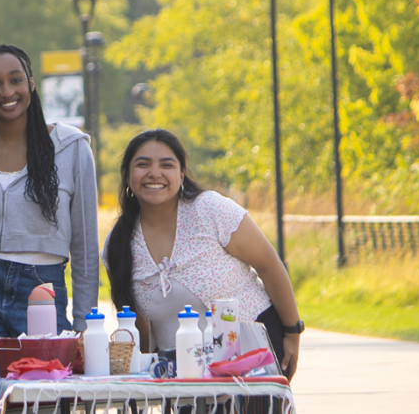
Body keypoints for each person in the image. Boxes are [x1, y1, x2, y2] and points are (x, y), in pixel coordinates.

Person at [0, 44, 99, 414]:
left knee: (44, 398)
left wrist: (83, 322)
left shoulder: (72, 147)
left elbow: (85, 244)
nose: (7, 92)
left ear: (31, 83)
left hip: (43, 287)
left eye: (16, 80)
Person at [103, 129, 302, 380]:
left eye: (167, 165)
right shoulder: (118, 244)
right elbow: (137, 326)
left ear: (182, 174)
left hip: (251, 355)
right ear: (128, 176)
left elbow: (270, 266)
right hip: (181, 373)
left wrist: (293, 333)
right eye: (143, 165)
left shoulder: (210, 210)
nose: (155, 173)